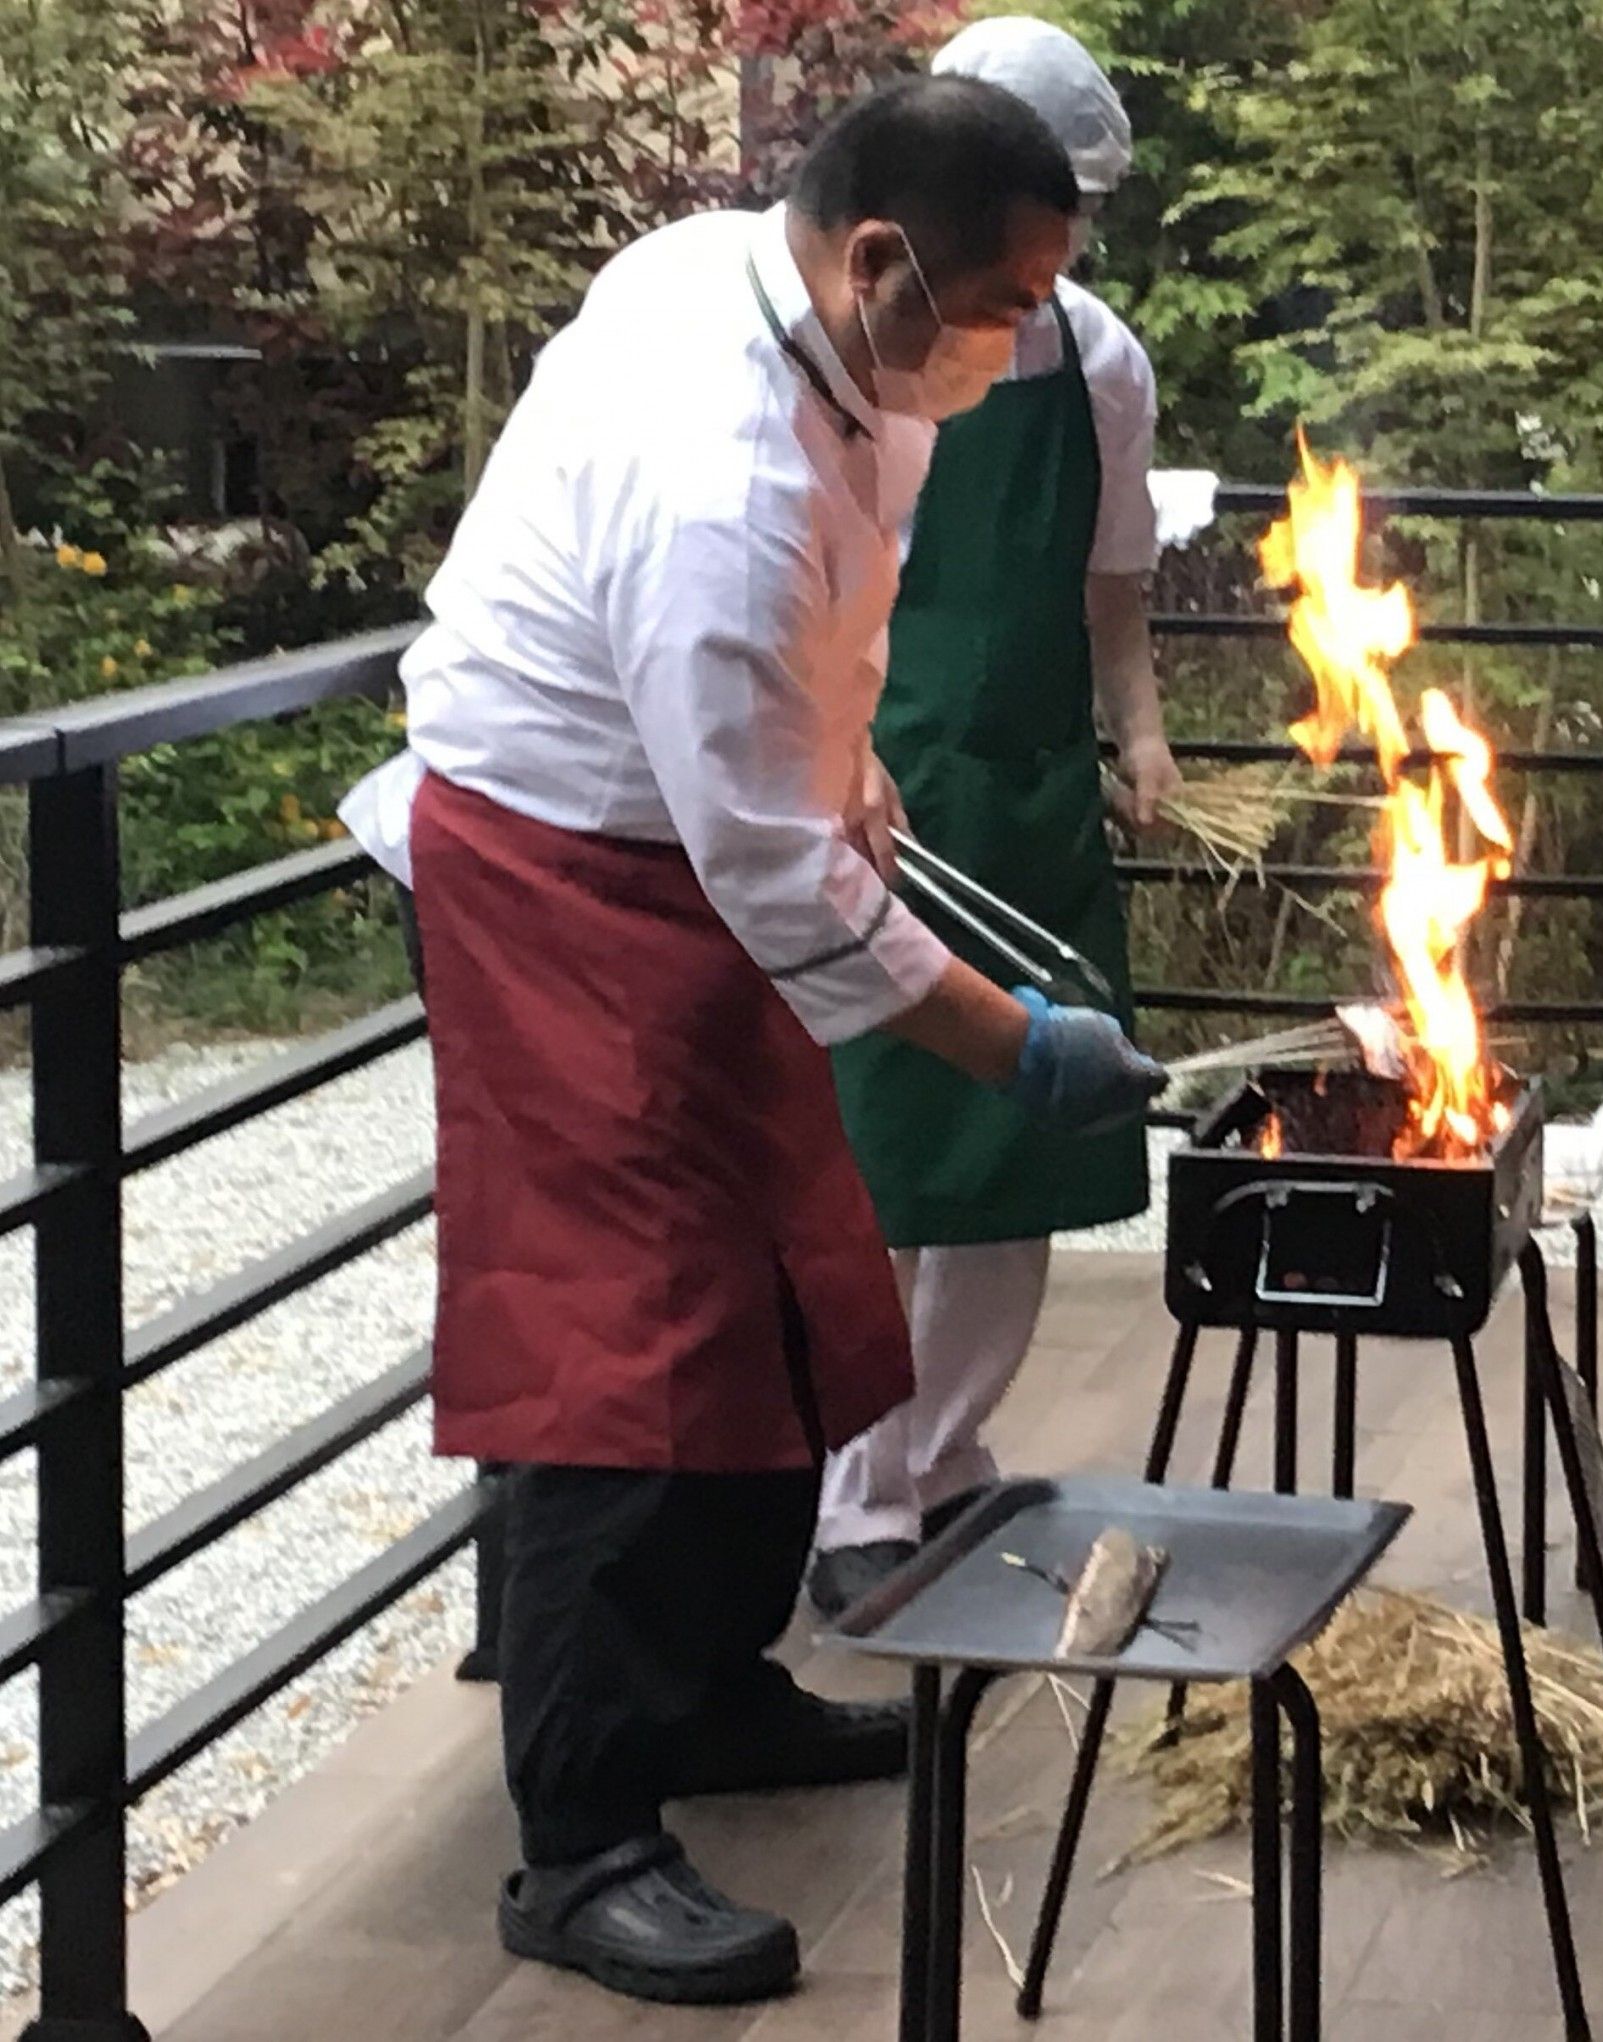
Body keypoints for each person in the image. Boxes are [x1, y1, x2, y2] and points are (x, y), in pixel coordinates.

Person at [336, 78, 1165, 2010]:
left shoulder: (797, 316)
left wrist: (849, 740)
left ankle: (710, 1690)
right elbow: (777, 877)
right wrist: (1009, 1042)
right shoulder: (717, 463)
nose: (1013, 345)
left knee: (786, 1268)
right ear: (881, 263)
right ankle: (583, 1840)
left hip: (693, 825)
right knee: (621, 1335)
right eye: (995, 307)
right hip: (563, 858)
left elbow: (807, 680)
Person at [811, 20, 1180, 1618]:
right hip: (879, 773)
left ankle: (949, 1451)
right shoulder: (870, 342)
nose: (1060, 243)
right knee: (880, 1151)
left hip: (1026, 782)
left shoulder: (1097, 360)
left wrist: (1141, 734)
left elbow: (1114, 580)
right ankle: (848, 1496)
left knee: (1014, 1158)